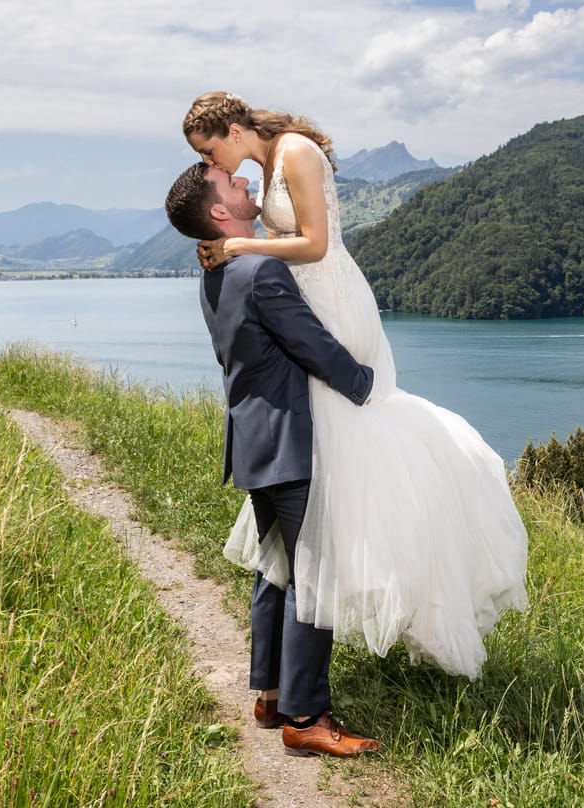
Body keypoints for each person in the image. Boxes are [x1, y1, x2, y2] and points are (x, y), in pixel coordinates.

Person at [182, 90, 528, 680]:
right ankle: (296, 676)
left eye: (210, 152)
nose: (214, 167)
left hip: (331, 302)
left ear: (233, 130)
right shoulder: (263, 166)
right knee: (325, 481)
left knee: (348, 449)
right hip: (299, 304)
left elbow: (315, 243)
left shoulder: (293, 152)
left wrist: (240, 243)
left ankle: (306, 659)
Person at [164, 162, 382, 758]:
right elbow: (311, 344)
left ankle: (269, 691)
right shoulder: (261, 270)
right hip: (289, 440)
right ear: (218, 211)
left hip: (254, 443)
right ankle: (307, 716)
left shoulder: (215, 275)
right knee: (314, 572)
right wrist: (366, 385)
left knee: (276, 565)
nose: (247, 186)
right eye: (234, 185)